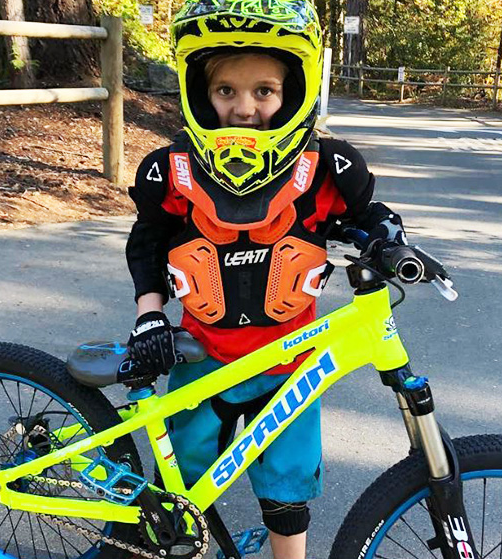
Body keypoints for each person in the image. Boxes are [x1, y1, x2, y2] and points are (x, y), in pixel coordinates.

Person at [123, 0, 407, 556]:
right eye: (225, 90)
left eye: (264, 91)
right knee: (180, 489)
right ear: (199, 92)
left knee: (288, 488)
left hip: (290, 364)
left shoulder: (328, 169)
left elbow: (367, 217)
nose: (244, 107)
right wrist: (149, 316)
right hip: (200, 358)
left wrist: (389, 243)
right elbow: (148, 246)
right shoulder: (170, 172)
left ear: (294, 91)